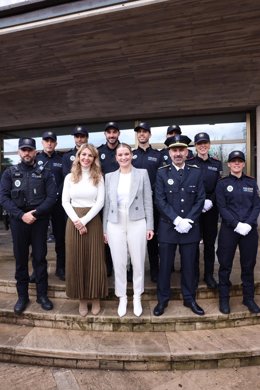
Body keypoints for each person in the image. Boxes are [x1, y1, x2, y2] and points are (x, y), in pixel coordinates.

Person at [0, 137, 57, 314]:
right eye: (23, 150)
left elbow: (52, 197)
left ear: (35, 152)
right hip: (19, 222)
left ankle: (42, 295)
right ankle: (22, 296)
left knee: (40, 258)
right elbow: (3, 198)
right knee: (21, 260)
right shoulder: (10, 172)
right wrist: (21, 215)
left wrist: (36, 213)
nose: (27, 153)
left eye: (29, 150)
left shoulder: (45, 172)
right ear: (19, 152)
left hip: (39, 221)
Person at [153, 134, 205, 316]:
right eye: (174, 150)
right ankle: (162, 300)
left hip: (190, 228)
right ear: (169, 152)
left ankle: (190, 299)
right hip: (168, 227)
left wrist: (188, 220)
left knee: (189, 267)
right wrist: (176, 220)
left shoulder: (196, 171)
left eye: (181, 150)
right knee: (165, 267)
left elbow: (200, 199)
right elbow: (159, 200)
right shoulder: (162, 172)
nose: (178, 153)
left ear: (186, 152)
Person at [103, 143, 154, 317]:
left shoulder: (142, 174)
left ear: (131, 155)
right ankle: (122, 297)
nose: (123, 157)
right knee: (119, 261)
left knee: (138, 261)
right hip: (115, 222)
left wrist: (150, 225)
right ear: (116, 158)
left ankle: (137, 296)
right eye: (120, 155)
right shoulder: (109, 176)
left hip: (137, 220)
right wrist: (104, 229)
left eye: (126, 154)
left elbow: (148, 201)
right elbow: (107, 204)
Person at [62, 143, 107, 316]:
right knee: (76, 260)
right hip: (73, 222)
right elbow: (65, 201)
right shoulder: (69, 177)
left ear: (94, 158)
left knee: (94, 259)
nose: (86, 158)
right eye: (83, 155)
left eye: (90, 156)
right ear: (78, 157)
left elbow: (100, 202)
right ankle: (82, 299)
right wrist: (77, 221)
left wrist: (85, 221)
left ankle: (95, 297)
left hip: (93, 221)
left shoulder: (99, 177)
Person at [216, 150, 260, 314]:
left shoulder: (251, 182)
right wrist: (236, 224)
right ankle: (224, 299)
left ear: (243, 164)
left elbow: (256, 205)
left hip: (249, 231)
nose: (236, 163)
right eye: (233, 161)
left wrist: (248, 224)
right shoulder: (222, 183)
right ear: (228, 164)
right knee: (225, 265)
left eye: (239, 161)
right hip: (229, 229)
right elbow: (222, 207)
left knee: (248, 265)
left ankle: (248, 298)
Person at [188, 132, 222, 289]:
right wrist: (198, 203)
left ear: (209, 145)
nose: (202, 146)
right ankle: (194, 274)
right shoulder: (189, 162)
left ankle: (208, 275)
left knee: (209, 243)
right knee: (193, 242)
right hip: (194, 207)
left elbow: (219, 187)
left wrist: (211, 201)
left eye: (205, 143)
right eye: (199, 143)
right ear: (195, 146)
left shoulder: (216, 163)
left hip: (211, 208)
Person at [31, 131, 66, 281]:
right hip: (41, 205)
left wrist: (56, 195)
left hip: (58, 204)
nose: (49, 143)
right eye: (46, 141)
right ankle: (38, 271)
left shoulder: (62, 159)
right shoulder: (36, 158)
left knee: (60, 238)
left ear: (56, 143)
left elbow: (66, 179)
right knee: (38, 239)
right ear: (42, 142)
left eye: (52, 141)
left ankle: (61, 268)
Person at [132, 121, 161, 283]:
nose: (142, 134)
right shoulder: (131, 155)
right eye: (139, 132)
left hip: (153, 203)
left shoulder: (157, 155)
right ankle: (134, 270)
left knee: (152, 238)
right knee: (134, 238)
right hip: (135, 204)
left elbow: (161, 178)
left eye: (145, 132)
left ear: (149, 134)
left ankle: (155, 270)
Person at [98, 121, 120, 277]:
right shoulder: (99, 152)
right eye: (109, 132)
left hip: (122, 198)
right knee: (106, 234)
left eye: (114, 132)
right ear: (105, 134)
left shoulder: (124, 150)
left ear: (118, 133)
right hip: (104, 199)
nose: (111, 135)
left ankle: (124, 266)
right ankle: (108, 266)